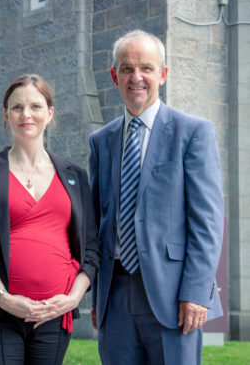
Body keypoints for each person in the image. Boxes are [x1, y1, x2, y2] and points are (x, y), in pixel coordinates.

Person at [89, 30, 224, 364]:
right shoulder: (101, 141)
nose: (137, 77)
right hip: (115, 294)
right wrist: (95, 295)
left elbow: (207, 222)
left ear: (163, 74)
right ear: (114, 76)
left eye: (147, 68)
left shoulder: (193, 132)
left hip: (175, 295)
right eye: (127, 69)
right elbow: (97, 222)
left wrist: (196, 293)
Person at [0, 73, 100, 365]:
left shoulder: (74, 175)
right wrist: (4, 298)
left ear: (49, 113)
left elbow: (91, 248)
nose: (26, 114)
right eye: (17, 107)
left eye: (35, 106)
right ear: (5, 115)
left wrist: (72, 299)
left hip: (53, 316)